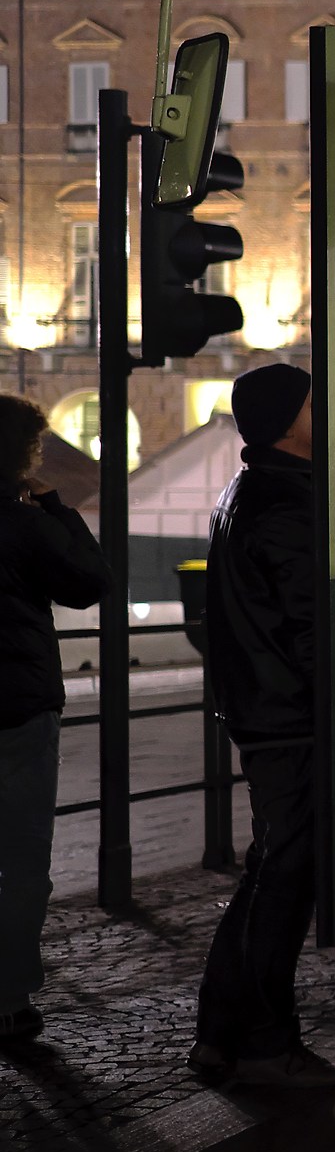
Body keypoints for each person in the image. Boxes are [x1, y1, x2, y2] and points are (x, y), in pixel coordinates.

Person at [189, 365, 335, 1089]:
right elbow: (311, 624)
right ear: (292, 420)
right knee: (287, 877)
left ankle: (220, 1031)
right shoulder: (289, 503)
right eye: (319, 403)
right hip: (291, 717)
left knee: (269, 871)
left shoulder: (247, 490)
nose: (331, 411)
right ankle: (264, 1043)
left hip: (264, 708)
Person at [0, 396, 106, 1043]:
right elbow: (90, 580)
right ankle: (10, 1001)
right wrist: (57, 507)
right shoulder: (26, 525)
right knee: (21, 861)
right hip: (20, 708)